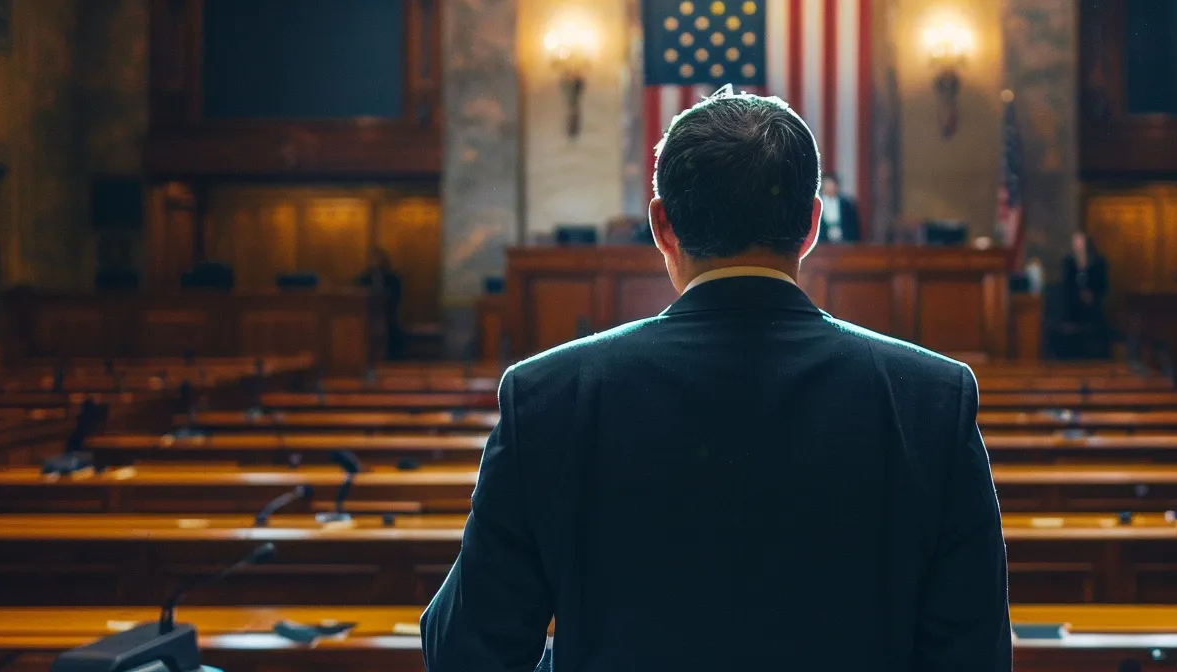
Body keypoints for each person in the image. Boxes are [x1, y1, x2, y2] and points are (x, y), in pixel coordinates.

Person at [422, 92, 1011, 672]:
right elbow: (974, 654)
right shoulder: (933, 398)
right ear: (811, 224)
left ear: (661, 225)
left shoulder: (548, 396)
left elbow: (466, 653)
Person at [1059, 231, 1109, 358]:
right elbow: (1066, 288)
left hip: (1094, 310)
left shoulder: (1098, 262)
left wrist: (1091, 295)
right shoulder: (1068, 262)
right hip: (1073, 310)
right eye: (1075, 241)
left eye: (1080, 241)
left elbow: (1103, 286)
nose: (1078, 244)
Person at [357, 250, 404, 360]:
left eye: (378, 259)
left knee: (393, 331)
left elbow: (396, 298)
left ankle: (391, 360)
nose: (376, 262)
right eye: (373, 259)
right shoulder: (363, 278)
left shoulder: (393, 279)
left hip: (388, 315)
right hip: (367, 316)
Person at [817, 172, 861, 243]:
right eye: (827, 184)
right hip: (822, 242)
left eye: (831, 184)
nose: (829, 187)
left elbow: (853, 226)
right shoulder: (817, 203)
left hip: (844, 242)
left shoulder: (846, 203)